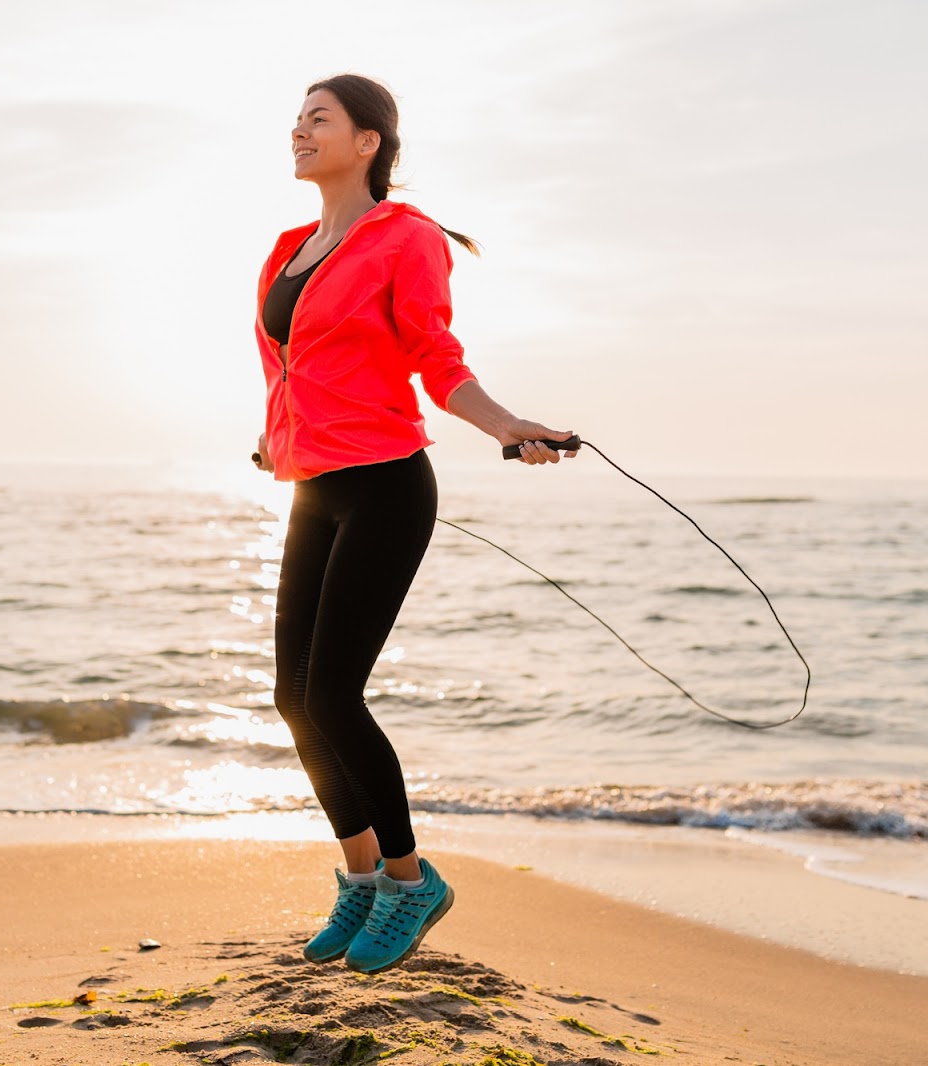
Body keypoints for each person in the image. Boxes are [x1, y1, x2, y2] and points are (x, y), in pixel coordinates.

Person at [252, 73, 577, 974]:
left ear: (369, 142)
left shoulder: (406, 238)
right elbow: (293, 369)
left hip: (389, 484)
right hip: (315, 485)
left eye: (319, 118)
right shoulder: (287, 249)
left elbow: (434, 355)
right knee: (293, 696)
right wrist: (274, 444)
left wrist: (507, 426)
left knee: (332, 695)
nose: (298, 131)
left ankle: (410, 882)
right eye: (297, 118)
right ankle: (360, 885)